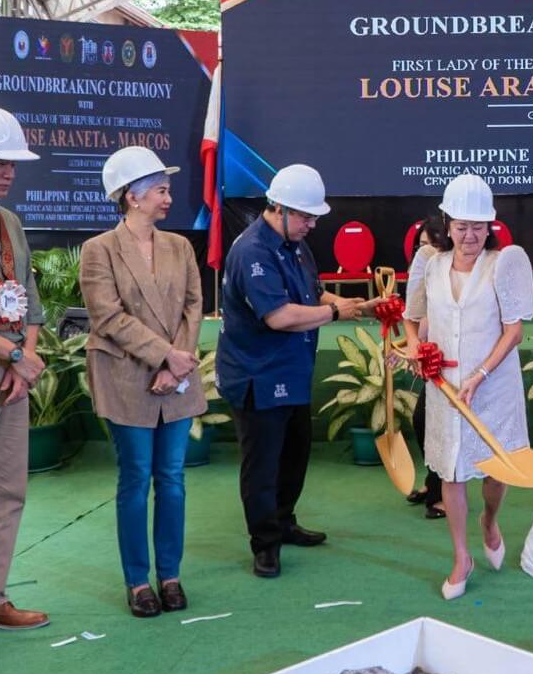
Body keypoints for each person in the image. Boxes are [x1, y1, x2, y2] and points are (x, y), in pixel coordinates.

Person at [216, 164, 377, 578]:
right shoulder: (251, 251)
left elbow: (310, 291)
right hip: (258, 376)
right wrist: (334, 311)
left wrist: (350, 303)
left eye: (314, 217)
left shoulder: (297, 244)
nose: (312, 224)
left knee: (294, 455)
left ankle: (284, 522)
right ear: (279, 208)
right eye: (306, 216)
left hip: (292, 371)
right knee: (263, 465)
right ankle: (264, 544)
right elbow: (280, 316)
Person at [79, 147, 206, 618]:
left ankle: (169, 575)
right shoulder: (98, 251)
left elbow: (195, 304)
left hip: (176, 377)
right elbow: (106, 316)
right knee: (136, 478)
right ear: (131, 197)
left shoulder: (180, 246)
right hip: (126, 376)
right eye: (161, 189)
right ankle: (138, 582)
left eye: (167, 189)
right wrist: (164, 355)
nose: (168, 197)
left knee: (172, 479)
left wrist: (176, 364)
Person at [402, 174, 533, 600]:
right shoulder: (430, 263)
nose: (470, 234)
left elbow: (514, 331)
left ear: (490, 226)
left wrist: (480, 375)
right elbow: (412, 316)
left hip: (492, 385)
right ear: (448, 223)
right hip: (445, 386)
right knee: (452, 470)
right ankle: (462, 556)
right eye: (462, 226)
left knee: (496, 467)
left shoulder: (505, 263)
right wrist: (415, 348)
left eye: (479, 226)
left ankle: (490, 521)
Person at [0, 105, 49, 668]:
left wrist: (27, 358)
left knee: (4, 492)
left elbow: (30, 297)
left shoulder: (10, 222)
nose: (9, 172)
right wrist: (15, 356)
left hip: (10, 372)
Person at [406, 216, 447, 519]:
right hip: (431, 360)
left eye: (432, 245)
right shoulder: (421, 277)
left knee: (438, 425)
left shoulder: (454, 275)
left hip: (457, 361)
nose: (425, 253)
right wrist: (412, 345)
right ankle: (435, 484)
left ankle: (442, 492)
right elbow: (412, 319)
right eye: (421, 246)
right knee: (423, 421)